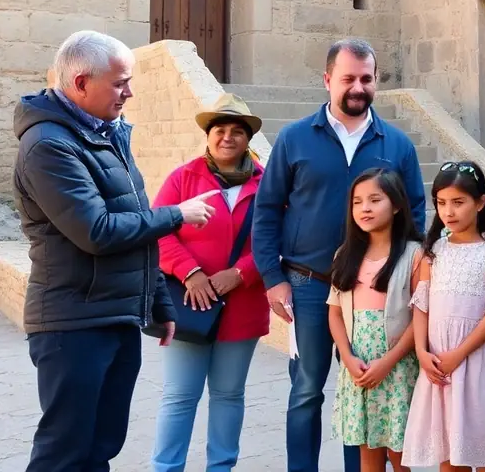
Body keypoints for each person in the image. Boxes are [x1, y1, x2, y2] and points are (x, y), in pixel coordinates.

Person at [12, 31, 216, 472]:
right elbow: (97, 231)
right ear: (81, 82)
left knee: (100, 447)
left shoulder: (105, 133)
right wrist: (176, 215)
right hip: (74, 323)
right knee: (64, 452)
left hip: (115, 316)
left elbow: (134, 220)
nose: (130, 92)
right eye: (120, 82)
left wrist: (158, 302)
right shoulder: (49, 145)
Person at [251, 38, 426, 472]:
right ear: (328, 79)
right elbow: (267, 209)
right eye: (348, 78)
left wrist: (406, 274)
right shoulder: (294, 139)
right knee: (307, 390)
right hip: (308, 285)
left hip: (372, 290)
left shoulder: (397, 145)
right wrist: (272, 278)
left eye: (367, 79)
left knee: (361, 386)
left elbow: (417, 211)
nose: (358, 87)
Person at [150, 94, 270, 472]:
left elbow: (277, 239)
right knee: (180, 396)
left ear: (247, 139)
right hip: (189, 305)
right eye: (220, 129)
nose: (227, 137)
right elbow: (158, 231)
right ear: (208, 134)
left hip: (243, 306)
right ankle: (166, 468)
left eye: (237, 131)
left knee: (228, 394)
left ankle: (221, 467)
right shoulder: (183, 178)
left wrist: (241, 273)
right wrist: (191, 272)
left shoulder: (267, 184)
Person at [402, 161, 485, 470]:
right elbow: (421, 306)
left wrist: (459, 354)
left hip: (478, 360)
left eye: (458, 202)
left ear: (481, 202)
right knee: (449, 457)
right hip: (438, 365)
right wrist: (421, 351)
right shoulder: (434, 250)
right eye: (441, 203)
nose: (449, 211)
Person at [328, 168, 422, 472]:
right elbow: (335, 311)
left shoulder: (414, 254)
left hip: (396, 367)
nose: (364, 208)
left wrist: (388, 361)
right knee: (368, 449)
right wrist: (346, 356)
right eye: (357, 202)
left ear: (395, 205)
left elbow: (421, 316)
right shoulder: (345, 254)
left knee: (399, 452)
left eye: (374, 200)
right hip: (358, 366)